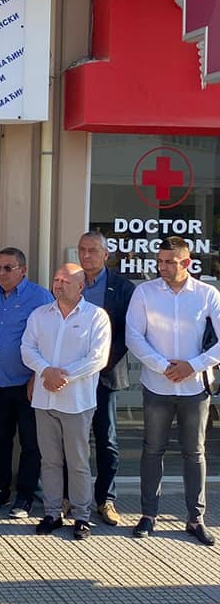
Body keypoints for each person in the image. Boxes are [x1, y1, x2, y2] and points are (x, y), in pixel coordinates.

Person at [125, 236, 220, 546]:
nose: (162, 267)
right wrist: (162, 365)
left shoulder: (207, 294)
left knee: (194, 452)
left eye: (169, 262)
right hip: (157, 385)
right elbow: (133, 335)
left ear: (186, 263)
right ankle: (148, 515)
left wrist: (192, 365)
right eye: (159, 261)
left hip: (195, 387)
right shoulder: (145, 292)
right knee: (153, 450)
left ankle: (195, 518)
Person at [21, 263, 111, 540]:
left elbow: (98, 358)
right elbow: (27, 348)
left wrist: (63, 376)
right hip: (44, 399)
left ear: (80, 286)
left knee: (78, 461)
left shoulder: (96, 316)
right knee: (49, 460)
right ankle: (52, 513)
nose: (58, 285)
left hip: (77, 401)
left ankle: (82, 516)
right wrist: (45, 371)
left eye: (65, 281)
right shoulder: (40, 314)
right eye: (56, 280)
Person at [0, 247, 52, 518]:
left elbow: (48, 340)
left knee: (30, 443)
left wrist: (36, 377)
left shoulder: (40, 297)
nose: (2, 273)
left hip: (28, 384)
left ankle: (25, 496)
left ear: (23, 270)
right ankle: (0, 489)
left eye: (8, 268)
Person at [77, 231, 135, 526]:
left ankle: (106, 499)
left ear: (106, 254)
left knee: (106, 439)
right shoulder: (70, 281)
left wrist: (101, 362)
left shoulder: (122, 287)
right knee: (72, 440)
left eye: (92, 250)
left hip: (105, 375)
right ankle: (71, 497)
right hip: (73, 378)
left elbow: (128, 332)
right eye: (82, 250)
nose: (86, 255)